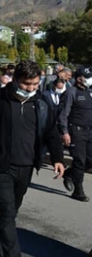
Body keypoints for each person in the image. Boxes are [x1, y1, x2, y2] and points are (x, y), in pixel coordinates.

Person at [0, 60, 65, 257]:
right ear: (15, 80)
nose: (31, 88)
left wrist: (57, 158)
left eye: (35, 84)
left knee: (12, 210)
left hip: (27, 165)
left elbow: (51, 132)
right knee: (7, 210)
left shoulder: (41, 103)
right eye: (27, 84)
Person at [59, 66, 92, 202]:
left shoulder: (89, 92)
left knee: (90, 161)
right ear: (79, 79)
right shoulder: (71, 93)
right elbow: (63, 115)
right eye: (88, 77)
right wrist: (64, 132)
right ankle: (78, 191)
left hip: (89, 131)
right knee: (79, 161)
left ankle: (69, 173)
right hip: (76, 131)